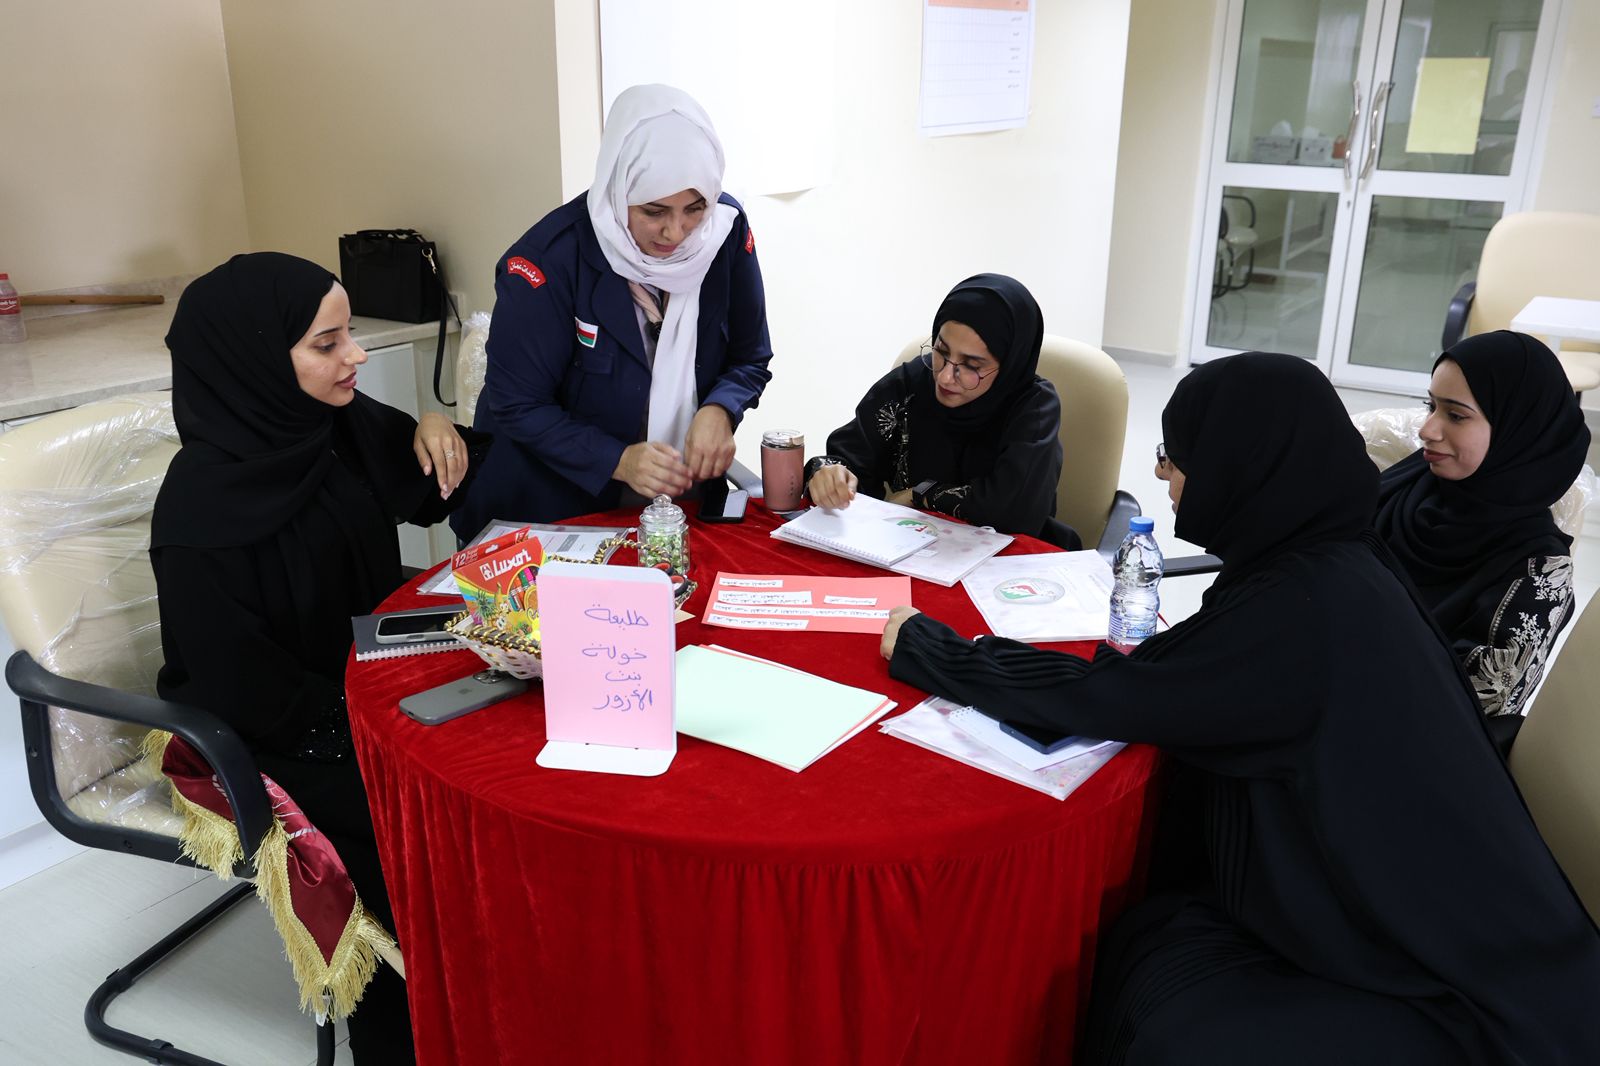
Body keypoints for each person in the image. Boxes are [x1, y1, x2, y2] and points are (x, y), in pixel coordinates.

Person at [880, 352, 1600, 1064]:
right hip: (1406, 888)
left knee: (1165, 1000)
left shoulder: (1304, 604)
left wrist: (933, 649)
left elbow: (1120, 696)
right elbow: (1174, 675)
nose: (1160, 474)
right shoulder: (1326, 555)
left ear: (1238, 468)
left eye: (1176, 458)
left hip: (1434, 960)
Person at [151, 252, 487, 1064]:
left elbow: (434, 478)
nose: (356, 356)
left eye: (351, 335)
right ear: (258, 363)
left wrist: (433, 426)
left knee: (496, 758)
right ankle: (415, 1033)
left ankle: (499, 993)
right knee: (421, 822)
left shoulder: (329, 427)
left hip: (364, 678)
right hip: (276, 727)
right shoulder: (198, 512)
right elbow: (242, 686)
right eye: (327, 344)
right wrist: (377, 720)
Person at [451, 84, 774, 537]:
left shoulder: (721, 233)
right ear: (618, 190)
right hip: (552, 508)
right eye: (654, 211)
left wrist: (720, 408)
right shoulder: (548, 262)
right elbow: (517, 404)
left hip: (672, 502)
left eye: (694, 208)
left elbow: (750, 356)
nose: (676, 232)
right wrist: (617, 460)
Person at [1375, 331, 1589, 736]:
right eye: (1431, 406)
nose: (1427, 429)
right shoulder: (1408, 484)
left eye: (1455, 415)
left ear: (1519, 430)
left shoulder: (1537, 576)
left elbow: (1463, 710)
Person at [805, 273, 1069, 544]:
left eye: (971, 366)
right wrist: (829, 474)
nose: (944, 377)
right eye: (941, 352)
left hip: (1007, 558)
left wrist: (921, 494)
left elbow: (1013, 509)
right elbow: (851, 456)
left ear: (1010, 365)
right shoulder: (911, 384)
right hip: (909, 548)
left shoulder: (1034, 408)